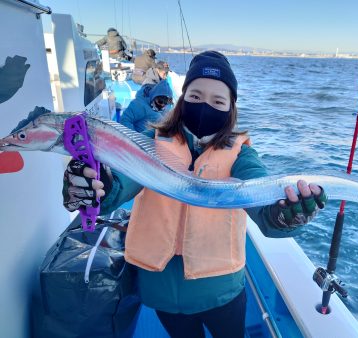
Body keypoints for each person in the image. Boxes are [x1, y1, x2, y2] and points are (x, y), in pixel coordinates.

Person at [62, 51, 327, 338]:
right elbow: (120, 182)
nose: (205, 106)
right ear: (182, 99)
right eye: (196, 96)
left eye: (218, 101)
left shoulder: (241, 153)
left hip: (222, 291)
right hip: (161, 290)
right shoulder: (150, 145)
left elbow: (261, 196)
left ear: (230, 109)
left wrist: (283, 213)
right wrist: (98, 184)